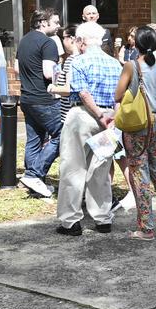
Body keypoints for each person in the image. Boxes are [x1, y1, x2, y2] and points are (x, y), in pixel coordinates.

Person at [54, 22, 122, 236]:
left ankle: (71, 220)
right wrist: (110, 118)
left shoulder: (78, 61)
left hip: (83, 115)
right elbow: (120, 97)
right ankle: (102, 218)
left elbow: (83, 93)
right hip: (110, 117)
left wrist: (98, 115)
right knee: (101, 169)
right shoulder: (115, 63)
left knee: (73, 167)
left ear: (81, 41)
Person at [113, 25, 156, 241]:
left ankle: (146, 227)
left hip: (139, 124)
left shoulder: (132, 66)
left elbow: (118, 95)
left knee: (140, 175)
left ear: (137, 44)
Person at [16, 8, 62, 199]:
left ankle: (34, 182)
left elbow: (17, 69)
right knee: (62, 135)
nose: (59, 26)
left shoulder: (24, 40)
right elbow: (48, 73)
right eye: (56, 22)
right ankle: (34, 174)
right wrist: (60, 73)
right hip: (44, 99)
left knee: (34, 140)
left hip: (26, 98)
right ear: (43, 22)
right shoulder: (48, 43)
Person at [48, 25, 81, 124]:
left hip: (69, 116)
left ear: (71, 38)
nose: (63, 41)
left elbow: (68, 89)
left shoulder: (71, 60)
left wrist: (52, 88)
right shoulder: (82, 58)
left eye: (63, 37)